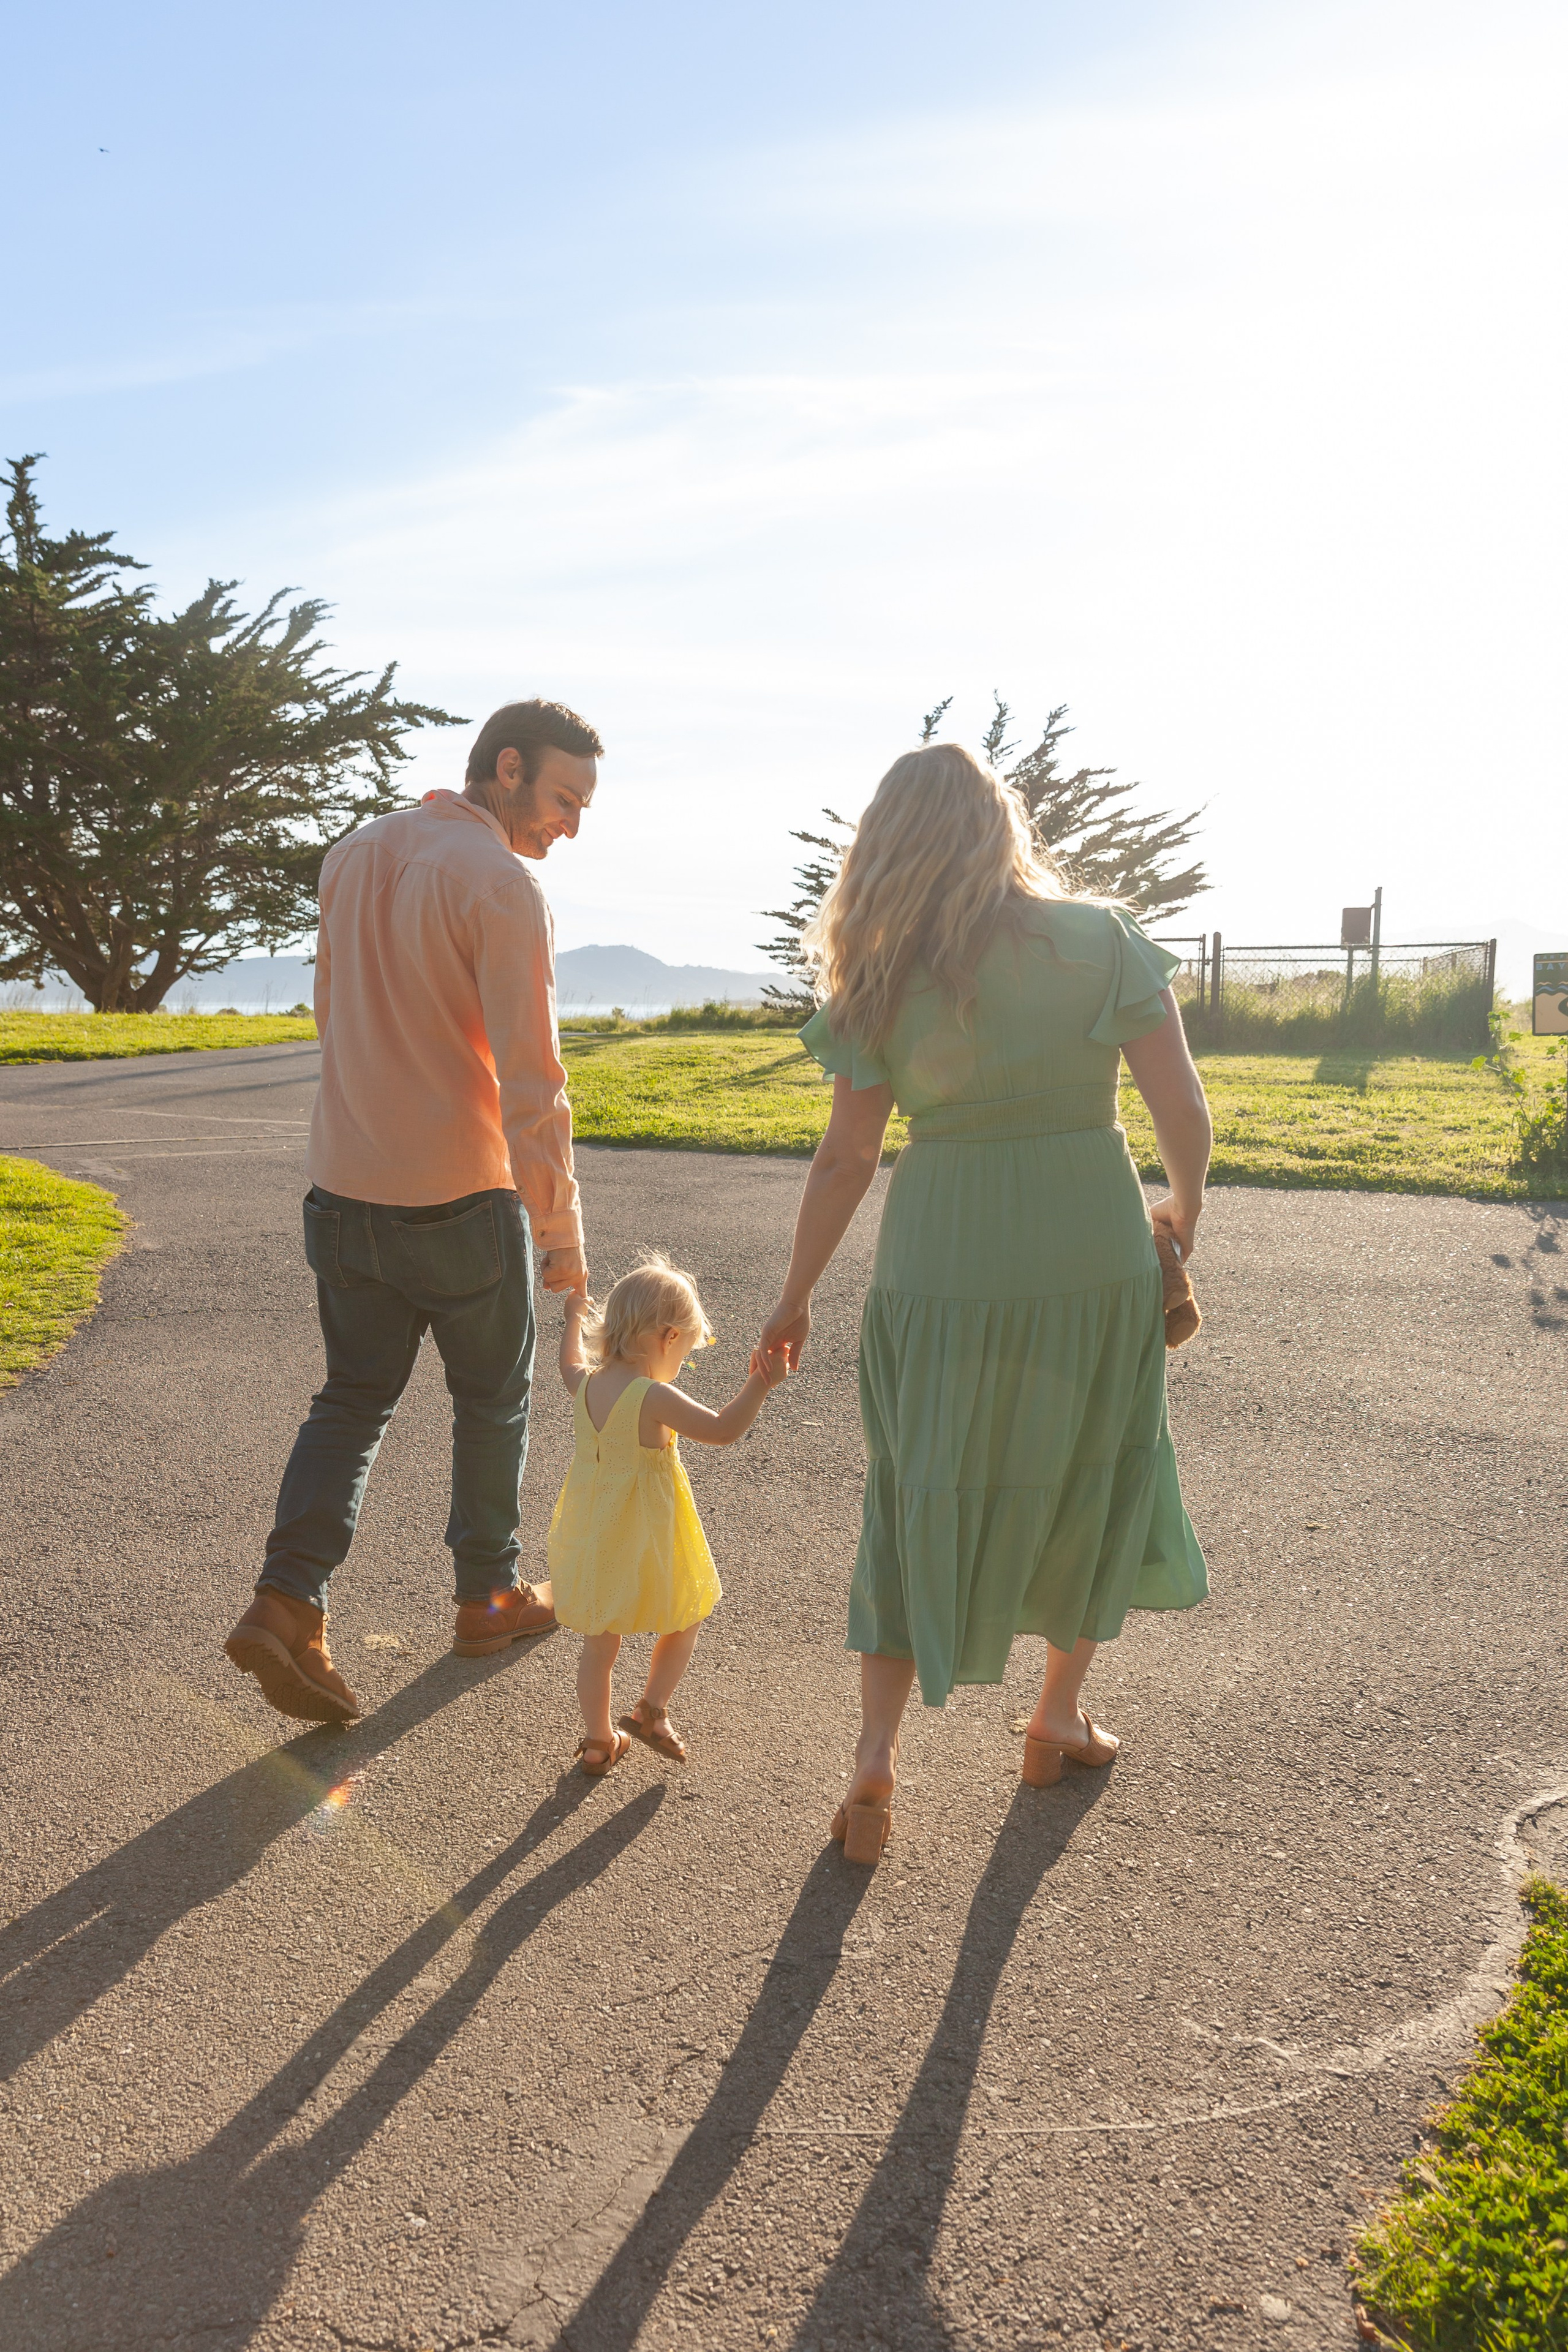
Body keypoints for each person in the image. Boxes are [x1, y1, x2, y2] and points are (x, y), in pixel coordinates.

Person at [753, 742, 1212, 1866]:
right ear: (1002, 827)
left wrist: (794, 1297)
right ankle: (1056, 1716)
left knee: (919, 1482)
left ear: (885, 845)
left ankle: (875, 1760)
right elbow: (1183, 1112)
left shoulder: (875, 977)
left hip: (942, 1257)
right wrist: (1181, 1219)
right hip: (1090, 1243)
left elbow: (845, 1161)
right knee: (1094, 1466)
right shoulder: (1103, 939)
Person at [224, 698, 601, 1727]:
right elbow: (533, 1082)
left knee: (351, 1399)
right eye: (565, 798)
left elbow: (332, 1015)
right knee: (493, 1399)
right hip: (460, 1199)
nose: (571, 826)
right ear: (508, 768)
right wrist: (561, 1234)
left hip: (343, 1191)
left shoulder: (352, 855)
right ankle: (489, 1597)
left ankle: (285, 1599)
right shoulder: (504, 886)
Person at [549, 1257, 788, 1774]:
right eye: (685, 1350)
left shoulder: (586, 1383)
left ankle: (598, 1742)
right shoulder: (651, 1396)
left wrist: (573, 1317)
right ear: (668, 1336)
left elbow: (568, 1362)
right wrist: (761, 1384)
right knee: (686, 1611)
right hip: (649, 1532)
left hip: (595, 1530)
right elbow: (722, 1430)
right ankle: (651, 1710)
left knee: (600, 1639)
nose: (682, 1360)